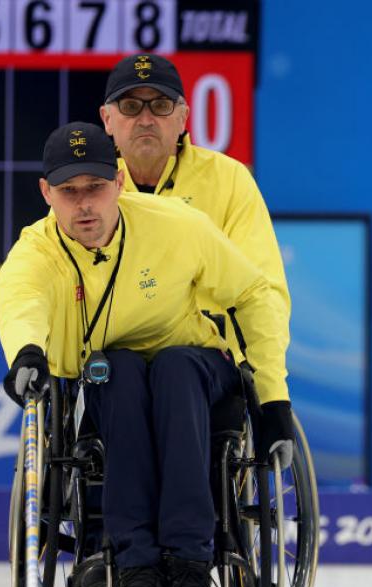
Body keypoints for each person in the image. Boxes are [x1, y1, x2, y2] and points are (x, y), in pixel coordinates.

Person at [0, 121, 294, 587]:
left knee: (174, 366)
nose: (84, 205)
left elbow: (252, 292)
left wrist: (272, 397)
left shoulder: (177, 225)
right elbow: (22, 302)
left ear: (119, 181)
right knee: (117, 368)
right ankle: (134, 568)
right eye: (69, 192)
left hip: (198, 372)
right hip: (112, 379)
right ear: (47, 194)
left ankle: (190, 568)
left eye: (95, 188)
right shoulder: (36, 250)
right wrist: (27, 354)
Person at [98, 53, 289, 361]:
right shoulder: (89, 190)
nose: (145, 119)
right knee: (119, 369)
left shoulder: (229, 179)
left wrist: (257, 370)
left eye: (160, 106)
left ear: (183, 117)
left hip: (206, 355)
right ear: (108, 119)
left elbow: (264, 289)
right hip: (117, 353)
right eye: (131, 107)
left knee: (178, 365)